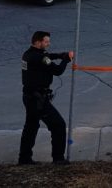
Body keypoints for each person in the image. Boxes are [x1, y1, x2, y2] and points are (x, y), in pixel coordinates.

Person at [18, 31, 72, 166]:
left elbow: (47, 56)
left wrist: (59, 55)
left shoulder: (28, 54)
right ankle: (58, 158)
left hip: (29, 97)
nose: (48, 44)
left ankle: (24, 158)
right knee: (58, 125)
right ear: (38, 42)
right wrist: (66, 59)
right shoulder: (39, 58)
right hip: (38, 100)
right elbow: (58, 70)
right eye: (46, 42)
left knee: (31, 127)